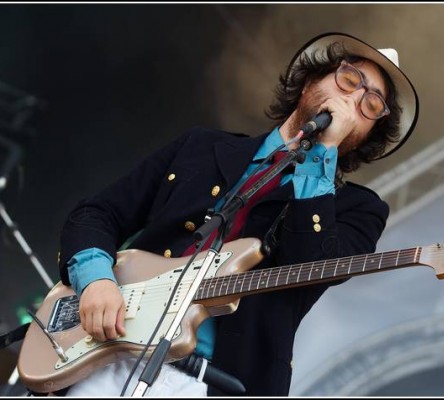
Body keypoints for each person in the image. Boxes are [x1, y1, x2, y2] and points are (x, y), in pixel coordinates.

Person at [55, 32, 419, 396]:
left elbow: (311, 264)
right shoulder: (201, 146)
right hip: (110, 353)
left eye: (371, 105)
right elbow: (98, 213)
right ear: (310, 81)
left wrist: (321, 156)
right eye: (350, 79)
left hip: (209, 383)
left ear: (370, 132)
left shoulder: (360, 209)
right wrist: (97, 280)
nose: (354, 98)